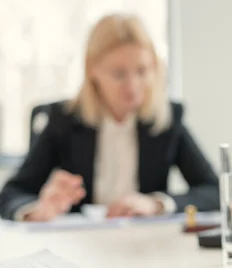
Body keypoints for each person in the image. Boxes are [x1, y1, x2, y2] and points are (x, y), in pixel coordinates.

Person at [0, 14, 219, 221]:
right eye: (119, 74)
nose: (133, 86)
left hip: (144, 245)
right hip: (80, 246)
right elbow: (11, 194)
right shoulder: (64, 120)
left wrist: (157, 204)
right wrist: (36, 210)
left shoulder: (167, 119)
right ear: (92, 70)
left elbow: (214, 190)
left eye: (142, 71)